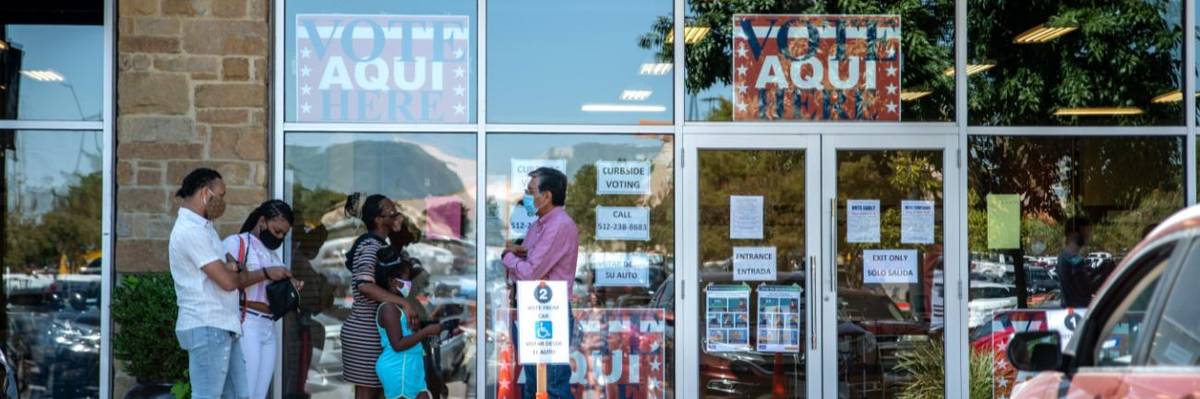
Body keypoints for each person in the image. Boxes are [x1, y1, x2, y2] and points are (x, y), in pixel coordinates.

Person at [169, 168, 290, 399]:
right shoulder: (190, 231)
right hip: (207, 324)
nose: (223, 202)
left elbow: (233, 267)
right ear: (206, 193)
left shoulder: (206, 228)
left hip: (223, 325)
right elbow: (228, 281)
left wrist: (233, 269)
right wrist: (262, 272)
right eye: (221, 195)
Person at [502, 167, 579, 399]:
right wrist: (518, 254)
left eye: (530, 191)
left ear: (546, 196)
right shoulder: (538, 224)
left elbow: (529, 272)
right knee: (535, 384)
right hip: (532, 309)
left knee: (552, 385)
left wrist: (507, 257)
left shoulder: (559, 225)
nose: (526, 196)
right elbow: (528, 256)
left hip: (549, 313)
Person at [222, 199, 298, 399]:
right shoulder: (236, 243)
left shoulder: (272, 253)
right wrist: (266, 273)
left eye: (284, 234)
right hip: (247, 322)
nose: (279, 237)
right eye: (276, 231)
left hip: (269, 326)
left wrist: (290, 285)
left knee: (260, 394)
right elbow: (230, 281)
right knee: (244, 392)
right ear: (262, 221)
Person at [341, 193, 410, 399]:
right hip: (365, 332)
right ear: (379, 219)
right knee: (366, 393)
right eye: (391, 210)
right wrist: (403, 303)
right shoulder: (371, 246)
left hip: (376, 331)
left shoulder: (380, 244)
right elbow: (364, 285)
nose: (396, 213)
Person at [374, 247, 454, 399]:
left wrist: (416, 329)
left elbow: (406, 335)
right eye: (406, 279)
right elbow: (397, 344)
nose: (409, 283)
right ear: (392, 282)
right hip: (398, 368)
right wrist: (426, 332)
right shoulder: (389, 308)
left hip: (411, 366)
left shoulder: (401, 306)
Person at [1057, 217, 1094, 308]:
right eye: (1085, 232)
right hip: (1078, 311)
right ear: (1073, 233)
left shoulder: (1065, 256)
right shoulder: (1072, 258)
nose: (1088, 236)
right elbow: (1084, 289)